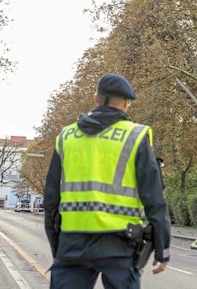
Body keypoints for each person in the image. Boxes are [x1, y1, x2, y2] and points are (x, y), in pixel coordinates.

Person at [44, 73, 171, 289]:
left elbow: (51, 200)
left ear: (96, 98)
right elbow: (154, 198)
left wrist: (58, 246)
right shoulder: (136, 137)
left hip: (73, 243)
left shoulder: (66, 137)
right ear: (127, 103)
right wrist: (162, 249)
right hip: (120, 245)